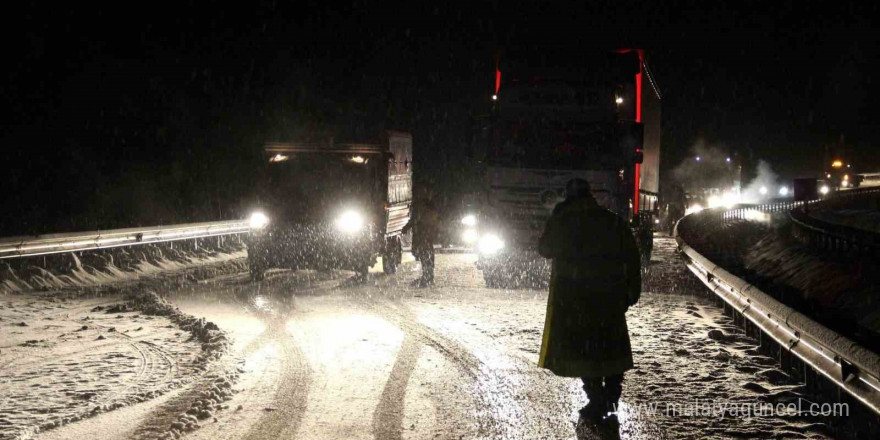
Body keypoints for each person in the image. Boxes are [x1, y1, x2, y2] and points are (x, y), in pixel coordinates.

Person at [537, 178, 641, 424]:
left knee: (583, 349)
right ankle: (612, 397)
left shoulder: (563, 221)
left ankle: (596, 399)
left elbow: (544, 249)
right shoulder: (612, 221)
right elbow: (632, 256)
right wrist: (632, 289)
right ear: (591, 195)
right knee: (611, 345)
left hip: (573, 297)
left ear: (568, 197)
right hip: (609, 295)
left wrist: (555, 217)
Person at [402, 191, 440, 287]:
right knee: (427, 255)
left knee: (424, 255)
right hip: (427, 234)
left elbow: (415, 219)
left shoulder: (421, 206)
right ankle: (428, 277)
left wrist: (406, 227)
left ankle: (427, 277)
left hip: (422, 234)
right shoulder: (430, 205)